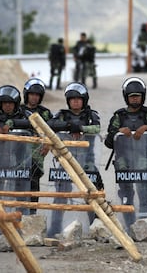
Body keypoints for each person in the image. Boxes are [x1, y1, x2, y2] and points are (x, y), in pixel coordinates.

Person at [104, 77, 147, 228]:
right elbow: (108, 141)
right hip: (123, 160)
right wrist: (118, 132)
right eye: (132, 96)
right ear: (126, 97)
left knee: (144, 191)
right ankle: (129, 226)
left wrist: (146, 127)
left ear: (143, 96)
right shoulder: (119, 116)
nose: (135, 99)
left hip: (142, 158)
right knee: (126, 194)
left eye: (137, 96)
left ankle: (145, 226)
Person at [47, 82, 101, 236]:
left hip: (88, 162)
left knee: (91, 196)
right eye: (72, 99)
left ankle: (94, 228)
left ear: (84, 100)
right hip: (66, 161)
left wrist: (81, 128)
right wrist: (70, 125)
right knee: (61, 196)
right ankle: (55, 227)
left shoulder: (91, 115)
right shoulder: (62, 114)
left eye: (78, 98)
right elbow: (50, 125)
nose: (75, 101)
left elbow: (96, 128)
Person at [0, 85, 33, 217]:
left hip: (21, 161)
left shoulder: (25, 115)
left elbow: (32, 124)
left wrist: (12, 124)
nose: (7, 106)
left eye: (10, 103)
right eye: (4, 103)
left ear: (15, 104)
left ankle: (21, 219)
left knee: (21, 192)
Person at [21, 78, 53, 214]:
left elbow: (52, 130)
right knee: (18, 183)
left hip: (37, 155)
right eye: (32, 94)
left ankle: (32, 213)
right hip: (18, 153)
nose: (34, 97)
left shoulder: (45, 113)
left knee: (34, 183)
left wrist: (48, 143)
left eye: (37, 95)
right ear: (26, 95)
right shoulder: (19, 110)